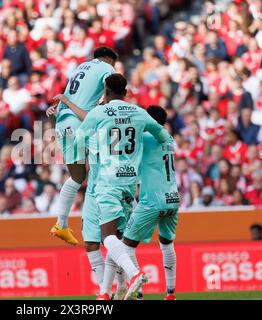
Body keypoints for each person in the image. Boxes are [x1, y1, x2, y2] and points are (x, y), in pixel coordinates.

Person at [60, 74, 171, 300]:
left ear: (105, 90)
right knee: (120, 239)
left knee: (107, 237)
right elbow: (163, 136)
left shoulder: (98, 113)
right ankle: (113, 292)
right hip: (130, 183)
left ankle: (134, 275)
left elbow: (79, 141)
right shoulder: (139, 112)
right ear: (126, 92)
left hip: (107, 181)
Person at [49, 46, 119, 246]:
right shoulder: (107, 67)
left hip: (62, 122)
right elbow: (112, 88)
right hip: (81, 122)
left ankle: (61, 224)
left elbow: (70, 95)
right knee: (107, 155)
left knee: (77, 176)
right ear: (109, 60)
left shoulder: (80, 67)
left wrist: (58, 108)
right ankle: (102, 214)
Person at [121, 105, 179, 301]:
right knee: (167, 244)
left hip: (152, 201)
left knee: (126, 246)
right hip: (172, 199)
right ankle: (170, 293)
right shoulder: (169, 139)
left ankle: (138, 294)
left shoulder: (144, 139)